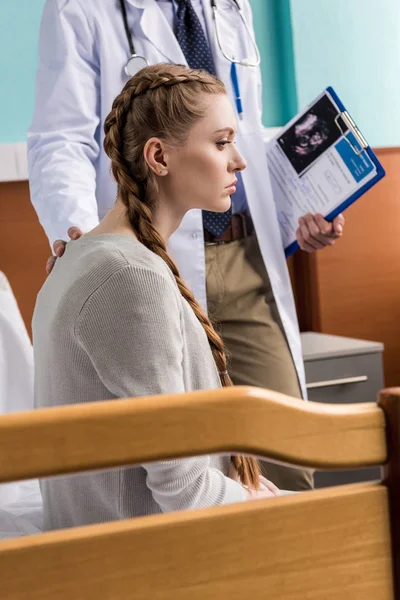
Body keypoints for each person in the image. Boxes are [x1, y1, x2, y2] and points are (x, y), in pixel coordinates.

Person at [28, 0, 345, 490]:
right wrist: (79, 239)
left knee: (287, 455)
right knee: (187, 458)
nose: (232, 157)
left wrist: (300, 209)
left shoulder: (230, 6)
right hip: (153, 261)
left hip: (245, 256)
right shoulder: (80, 9)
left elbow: (239, 130)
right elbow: (61, 138)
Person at [33, 64, 280, 530]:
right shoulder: (128, 277)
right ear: (159, 157)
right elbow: (184, 490)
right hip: (144, 559)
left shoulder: (93, 258)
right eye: (222, 142)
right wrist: (257, 501)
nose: (239, 161)